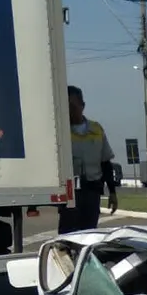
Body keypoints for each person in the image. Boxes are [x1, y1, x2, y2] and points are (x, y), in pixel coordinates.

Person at [58, 85, 119, 233]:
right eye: (65, 106)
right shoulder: (61, 131)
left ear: (82, 106)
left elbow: (105, 163)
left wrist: (112, 192)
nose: (69, 111)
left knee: (89, 233)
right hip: (71, 193)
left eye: (72, 106)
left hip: (92, 192)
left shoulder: (96, 130)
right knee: (68, 236)